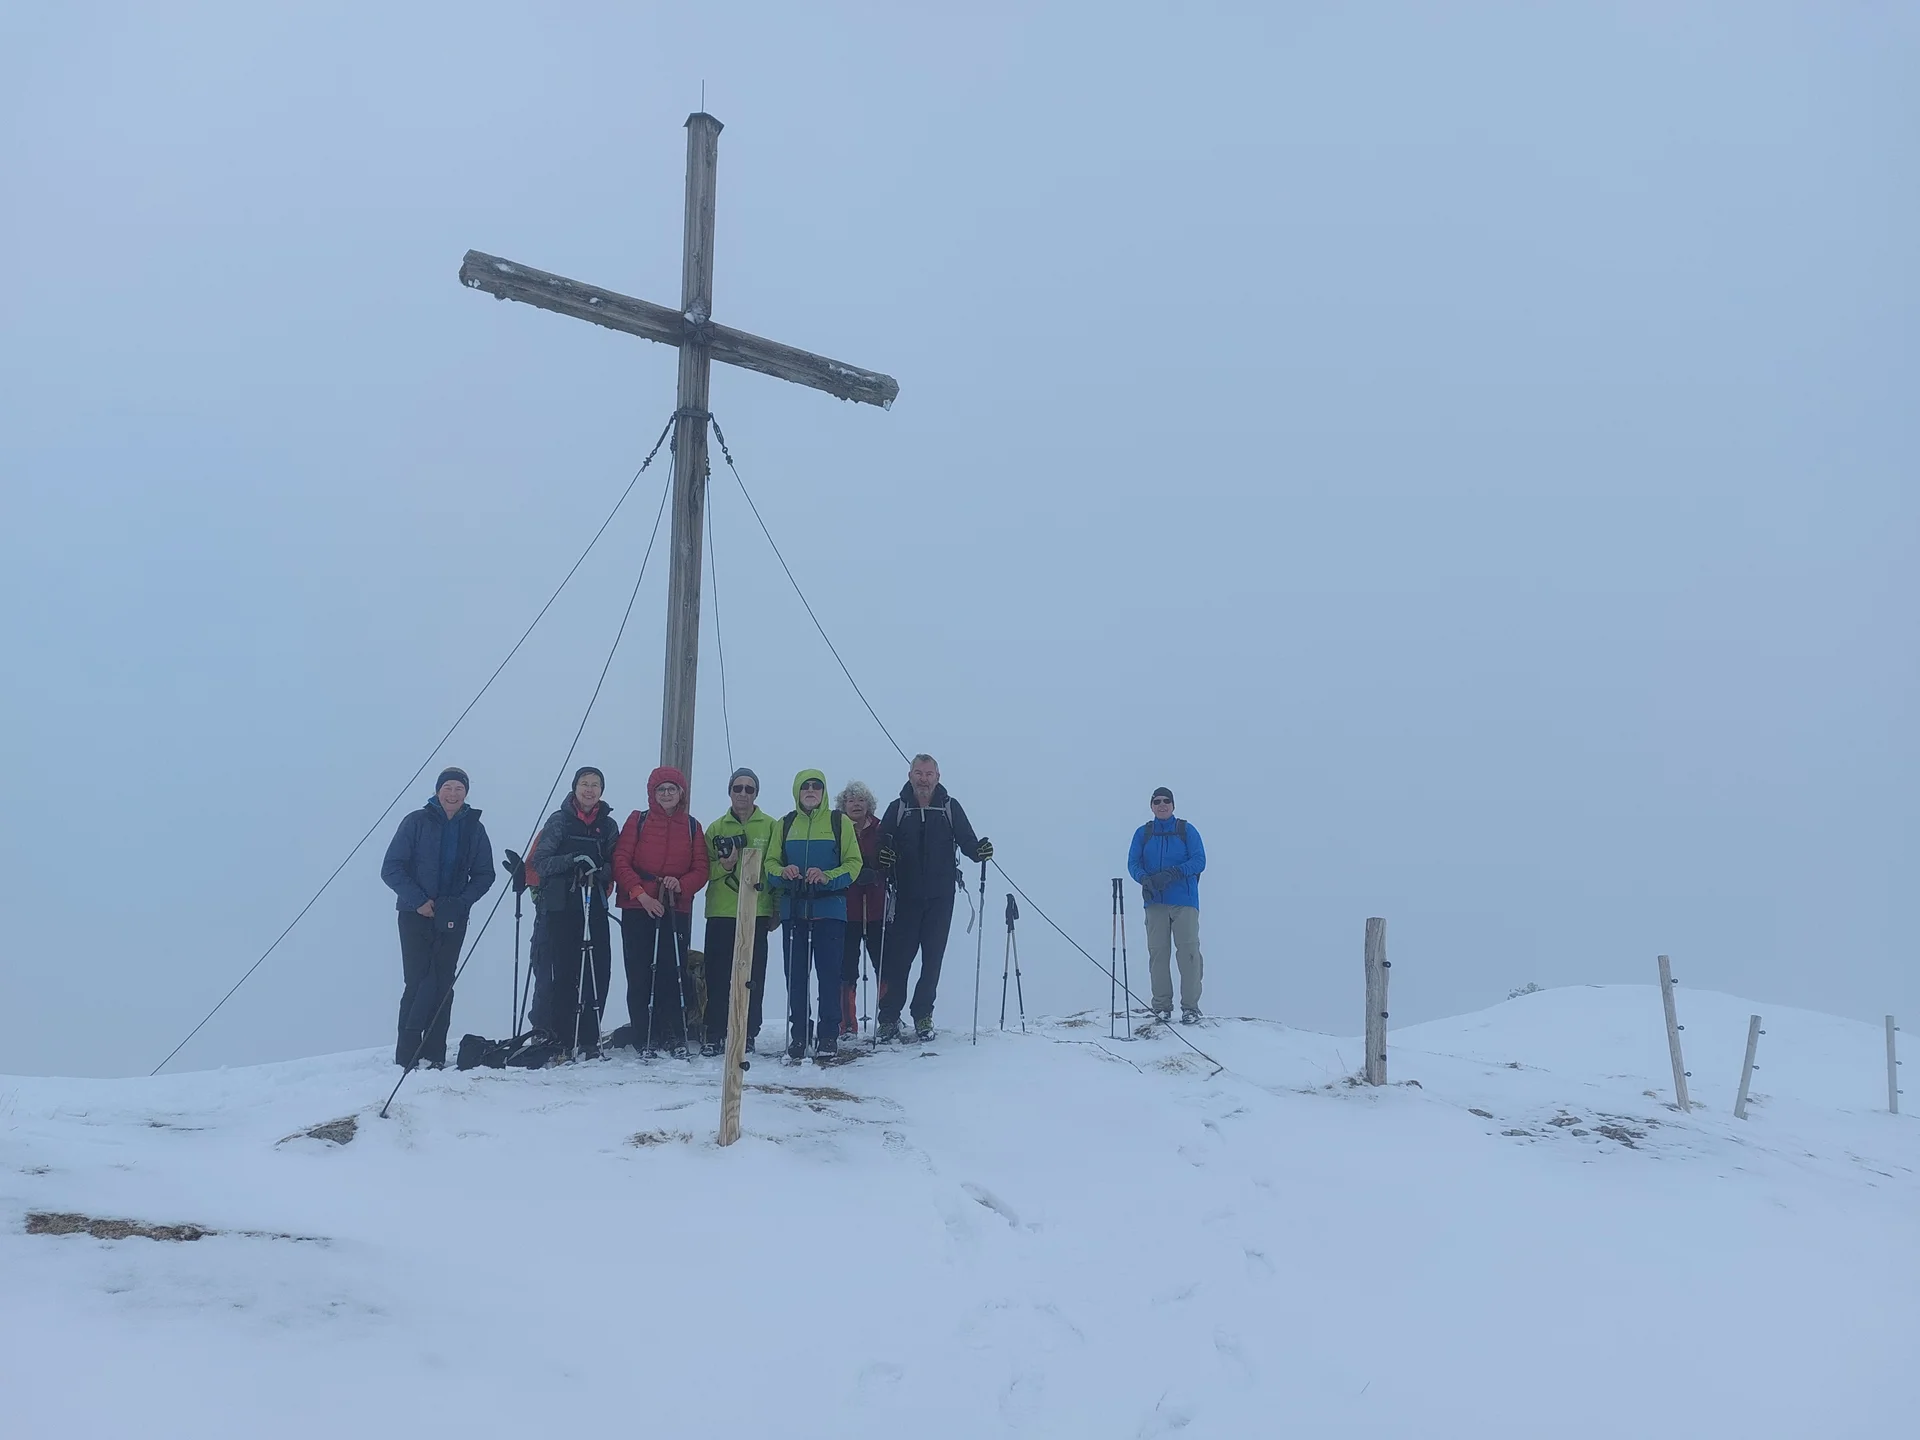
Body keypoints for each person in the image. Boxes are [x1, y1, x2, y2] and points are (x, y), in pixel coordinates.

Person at [379, 767, 496, 1069]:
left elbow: (485, 874)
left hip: (452, 918)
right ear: (437, 790)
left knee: (444, 983)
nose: (453, 794)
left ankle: (434, 1055)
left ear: (466, 793)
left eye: (459, 788)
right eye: (448, 787)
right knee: (418, 981)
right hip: (413, 914)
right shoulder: (416, 821)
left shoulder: (474, 828)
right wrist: (419, 901)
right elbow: (391, 867)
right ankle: (407, 1054)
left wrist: (460, 903)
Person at [874, 754, 991, 1043]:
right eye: (918, 773)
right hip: (905, 897)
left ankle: (923, 1014)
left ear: (937, 776)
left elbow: (968, 842)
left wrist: (980, 851)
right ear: (909, 774)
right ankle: (889, 1018)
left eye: (928, 773)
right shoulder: (898, 808)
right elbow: (879, 844)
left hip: (941, 898)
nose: (923, 779)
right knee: (899, 961)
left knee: (932, 959)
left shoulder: (949, 807)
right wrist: (882, 855)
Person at [612, 766, 708, 1058]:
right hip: (638, 907)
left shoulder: (692, 826)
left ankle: (672, 1032)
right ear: (652, 793)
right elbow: (620, 860)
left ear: (681, 793)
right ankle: (645, 1033)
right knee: (639, 971)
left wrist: (681, 884)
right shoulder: (637, 820)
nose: (667, 794)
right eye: (661, 789)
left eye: (672, 789)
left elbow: (702, 869)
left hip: (675, 907)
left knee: (673, 971)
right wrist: (640, 895)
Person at [768, 769, 862, 1060]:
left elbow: (853, 863)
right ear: (797, 791)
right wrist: (783, 872)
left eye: (817, 786)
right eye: (805, 786)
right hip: (794, 909)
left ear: (823, 792)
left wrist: (827, 876)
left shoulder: (839, 822)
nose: (811, 791)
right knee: (795, 976)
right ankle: (799, 1035)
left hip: (830, 910)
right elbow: (769, 863)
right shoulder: (785, 824)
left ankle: (828, 1035)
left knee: (830, 975)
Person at [528, 766, 620, 1057]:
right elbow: (541, 862)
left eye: (595, 785)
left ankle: (590, 1036)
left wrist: (597, 869)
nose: (589, 789)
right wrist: (572, 861)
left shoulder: (607, 825)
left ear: (601, 791)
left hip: (593, 905)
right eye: (584, 784)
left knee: (598, 969)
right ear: (575, 788)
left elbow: (615, 864)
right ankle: (561, 1036)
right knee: (563, 972)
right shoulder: (559, 821)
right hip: (560, 908)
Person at [700, 767, 781, 1057]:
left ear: (756, 793)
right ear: (729, 792)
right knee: (718, 974)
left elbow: (775, 869)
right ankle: (715, 1031)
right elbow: (700, 870)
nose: (743, 794)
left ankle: (747, 1032)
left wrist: (776, 909)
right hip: (721, 911)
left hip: (756, 911)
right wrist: (723, 866)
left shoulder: (771, 826)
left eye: (749, 788)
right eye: (738, 788)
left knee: (752, 975)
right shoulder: (716, 828)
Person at [1126, 786, 1207, 1023]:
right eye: (1157, 801)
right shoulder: (1143, 833)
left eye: (1166, 801)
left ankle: (1190, 1008)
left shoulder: (1186, 830)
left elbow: (1200, 860)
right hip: (1155, 902)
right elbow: (1133, 862)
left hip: (1184, 901)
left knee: (1189, 953)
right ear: (1151, 805)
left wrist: (1174, 873)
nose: (1162, 805)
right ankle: (1161, 1007)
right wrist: (1144, 879)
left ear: (1173, 805)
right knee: (1158, 954)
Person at [837, 779, 886, 1041]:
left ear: (869, 805)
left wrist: (877, 875)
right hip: (847, 908)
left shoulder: (880, 830)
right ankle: (846, 1023)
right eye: (851, 800)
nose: (856, 804)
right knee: (847, 967)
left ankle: (888, 1017)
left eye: (861, 800)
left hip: (876, 907)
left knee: (883, 963)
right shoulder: (837, 829)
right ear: (843, 805)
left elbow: (892, 861)